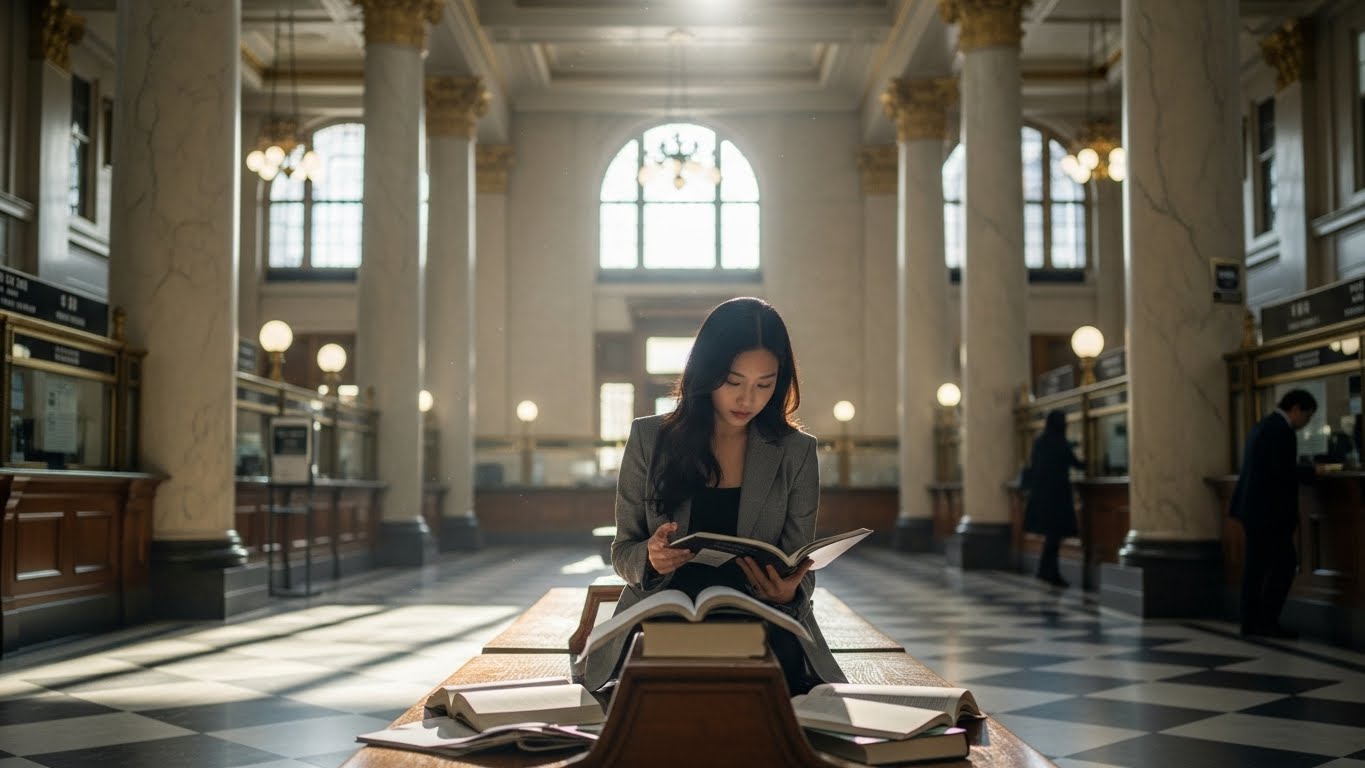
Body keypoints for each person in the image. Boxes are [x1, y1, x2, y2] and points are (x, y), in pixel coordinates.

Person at [583, 297, 846, 694]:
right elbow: (623, 553)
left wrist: (790, 590)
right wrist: (650, 559)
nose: (748, 400)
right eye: (733, 381)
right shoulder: (649, 439)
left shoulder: (796, 452)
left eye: (765, 384)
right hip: (663, 610)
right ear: (705, 372)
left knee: (770, 685)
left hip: (762, 617)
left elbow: (799, 564)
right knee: (658, 685)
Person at [1231, 389, 1316, 639]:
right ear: (1296, 409)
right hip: (1269, 513)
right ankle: (1267, 622)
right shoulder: (1282, 431)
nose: (1306, 422)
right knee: (1284, 565)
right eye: (1307, 416)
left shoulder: (1262, 426)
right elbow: (1283, 472)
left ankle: (1250, 622)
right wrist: (1311, 473)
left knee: (1255, 568)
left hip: (1253, 509)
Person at [1022, 409, 1084, 588]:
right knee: (1054, 537)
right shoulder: (1059, 442)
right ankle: (1050, 572)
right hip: (1057, 497)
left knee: (1051, 537)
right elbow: (1076, 463)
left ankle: (1046, 571)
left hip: (1041, 497)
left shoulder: (1040, 442)